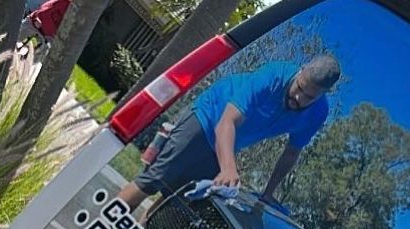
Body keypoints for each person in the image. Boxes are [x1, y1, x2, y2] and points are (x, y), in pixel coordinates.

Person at [121, 52, 341, 212]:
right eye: (299, 88)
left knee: (178, 202)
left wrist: (268, 192)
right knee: (154, 179)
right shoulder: (273, 76)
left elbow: (291, 153)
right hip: (208, 117)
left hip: (228, 143)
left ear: (323, 94)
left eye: (309, 97)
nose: (299, 98)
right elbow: (227, 122)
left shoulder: (318, 113)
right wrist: (228, 168)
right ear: (300, 71)